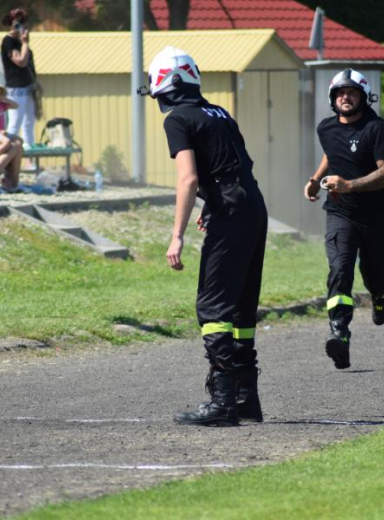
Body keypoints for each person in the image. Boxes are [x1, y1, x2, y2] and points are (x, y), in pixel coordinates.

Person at [139, 46, 268, 427]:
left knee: (212, 309)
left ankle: (223, 403)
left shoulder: (178, 118)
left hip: (230, 213)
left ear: (166, 83)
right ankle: (247, 400)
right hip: (253, 208)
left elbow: (189, 177)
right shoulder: (220, 113)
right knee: (242, 309)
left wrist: (176, 235)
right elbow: (235, 165)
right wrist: (212, 204)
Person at [303, 69, 384, 370]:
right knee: (340, 270)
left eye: (352, 92)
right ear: (333, 98)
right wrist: (315, 179)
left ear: (363, 97)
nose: (346, 97)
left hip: (375, 216)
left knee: (374, 274)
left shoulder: (377, 128)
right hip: (339, 213)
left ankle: (381, 294)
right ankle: (339, 334)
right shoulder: (326, 128)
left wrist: (350, 185)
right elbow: (332, 153)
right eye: (340, 93)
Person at [0, 8, 38, 154]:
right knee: (15, 123)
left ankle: (30, 154)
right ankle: (8, 153)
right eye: (17, 24)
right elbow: (21, 61)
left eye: (22, 24)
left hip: (28, 87)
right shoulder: (8, 42)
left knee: (29, 122)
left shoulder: (19, 42)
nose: (20, 27)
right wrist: (25, 43)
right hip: (16, 89)